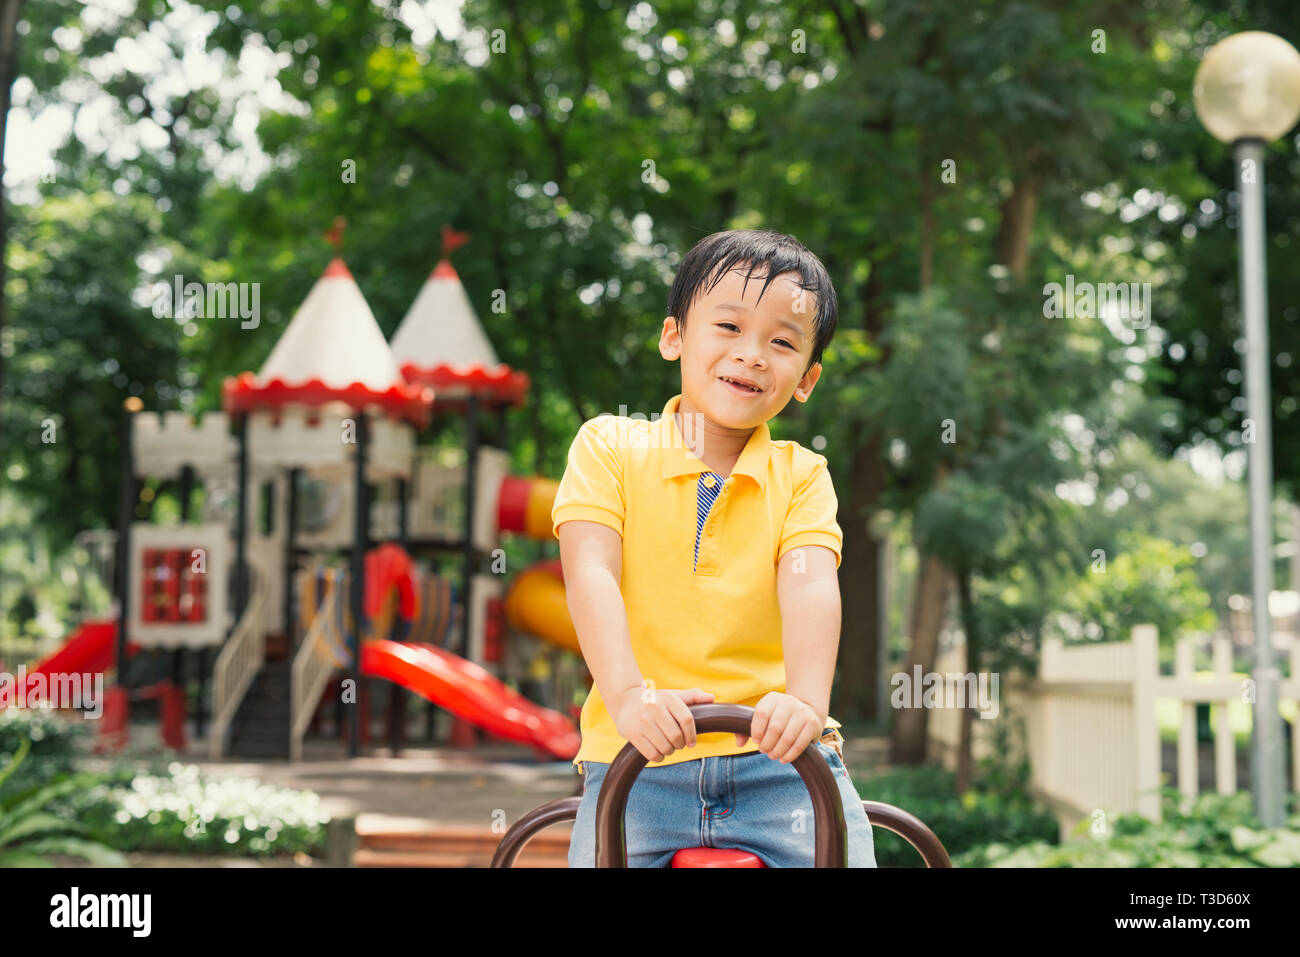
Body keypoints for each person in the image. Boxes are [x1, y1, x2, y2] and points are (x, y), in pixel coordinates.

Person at [553, 228, 877, 867]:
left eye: (781, 342)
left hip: (780, 763)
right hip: (637, 758)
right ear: (674, 336)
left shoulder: (802, 474)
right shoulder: (610, 447)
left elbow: (811, 584)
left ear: (806, 378)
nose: (753, 355)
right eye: (728, 326)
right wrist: (626, 696)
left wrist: (807, 702)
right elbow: (591, 572)